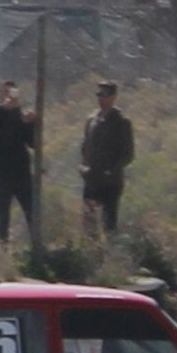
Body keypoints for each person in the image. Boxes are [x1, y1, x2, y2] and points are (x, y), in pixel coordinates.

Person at [0, 81, 41, 248]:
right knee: (2, 218)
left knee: (32, 213)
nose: (8, 95)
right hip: (1, 175)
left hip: (21, 174)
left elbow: (33, 143)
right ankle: (3, 250)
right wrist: (4, 108)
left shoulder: (20, 116)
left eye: (11, 92)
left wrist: (32, 123)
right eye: (4, 92)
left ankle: (36, 249)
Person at [76, 81, 134, 240]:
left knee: (109, 225)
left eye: (105, 95)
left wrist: (110, 170)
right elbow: (85, 146)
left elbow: (128, 154)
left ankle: (111, 252)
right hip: (91, 178)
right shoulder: (91, 120)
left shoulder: (121, 122)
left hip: (111, 183)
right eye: (99, 94)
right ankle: (91, 252)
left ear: (114, 97)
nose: (101, 98)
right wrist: (83, 166)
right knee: (89, 224)